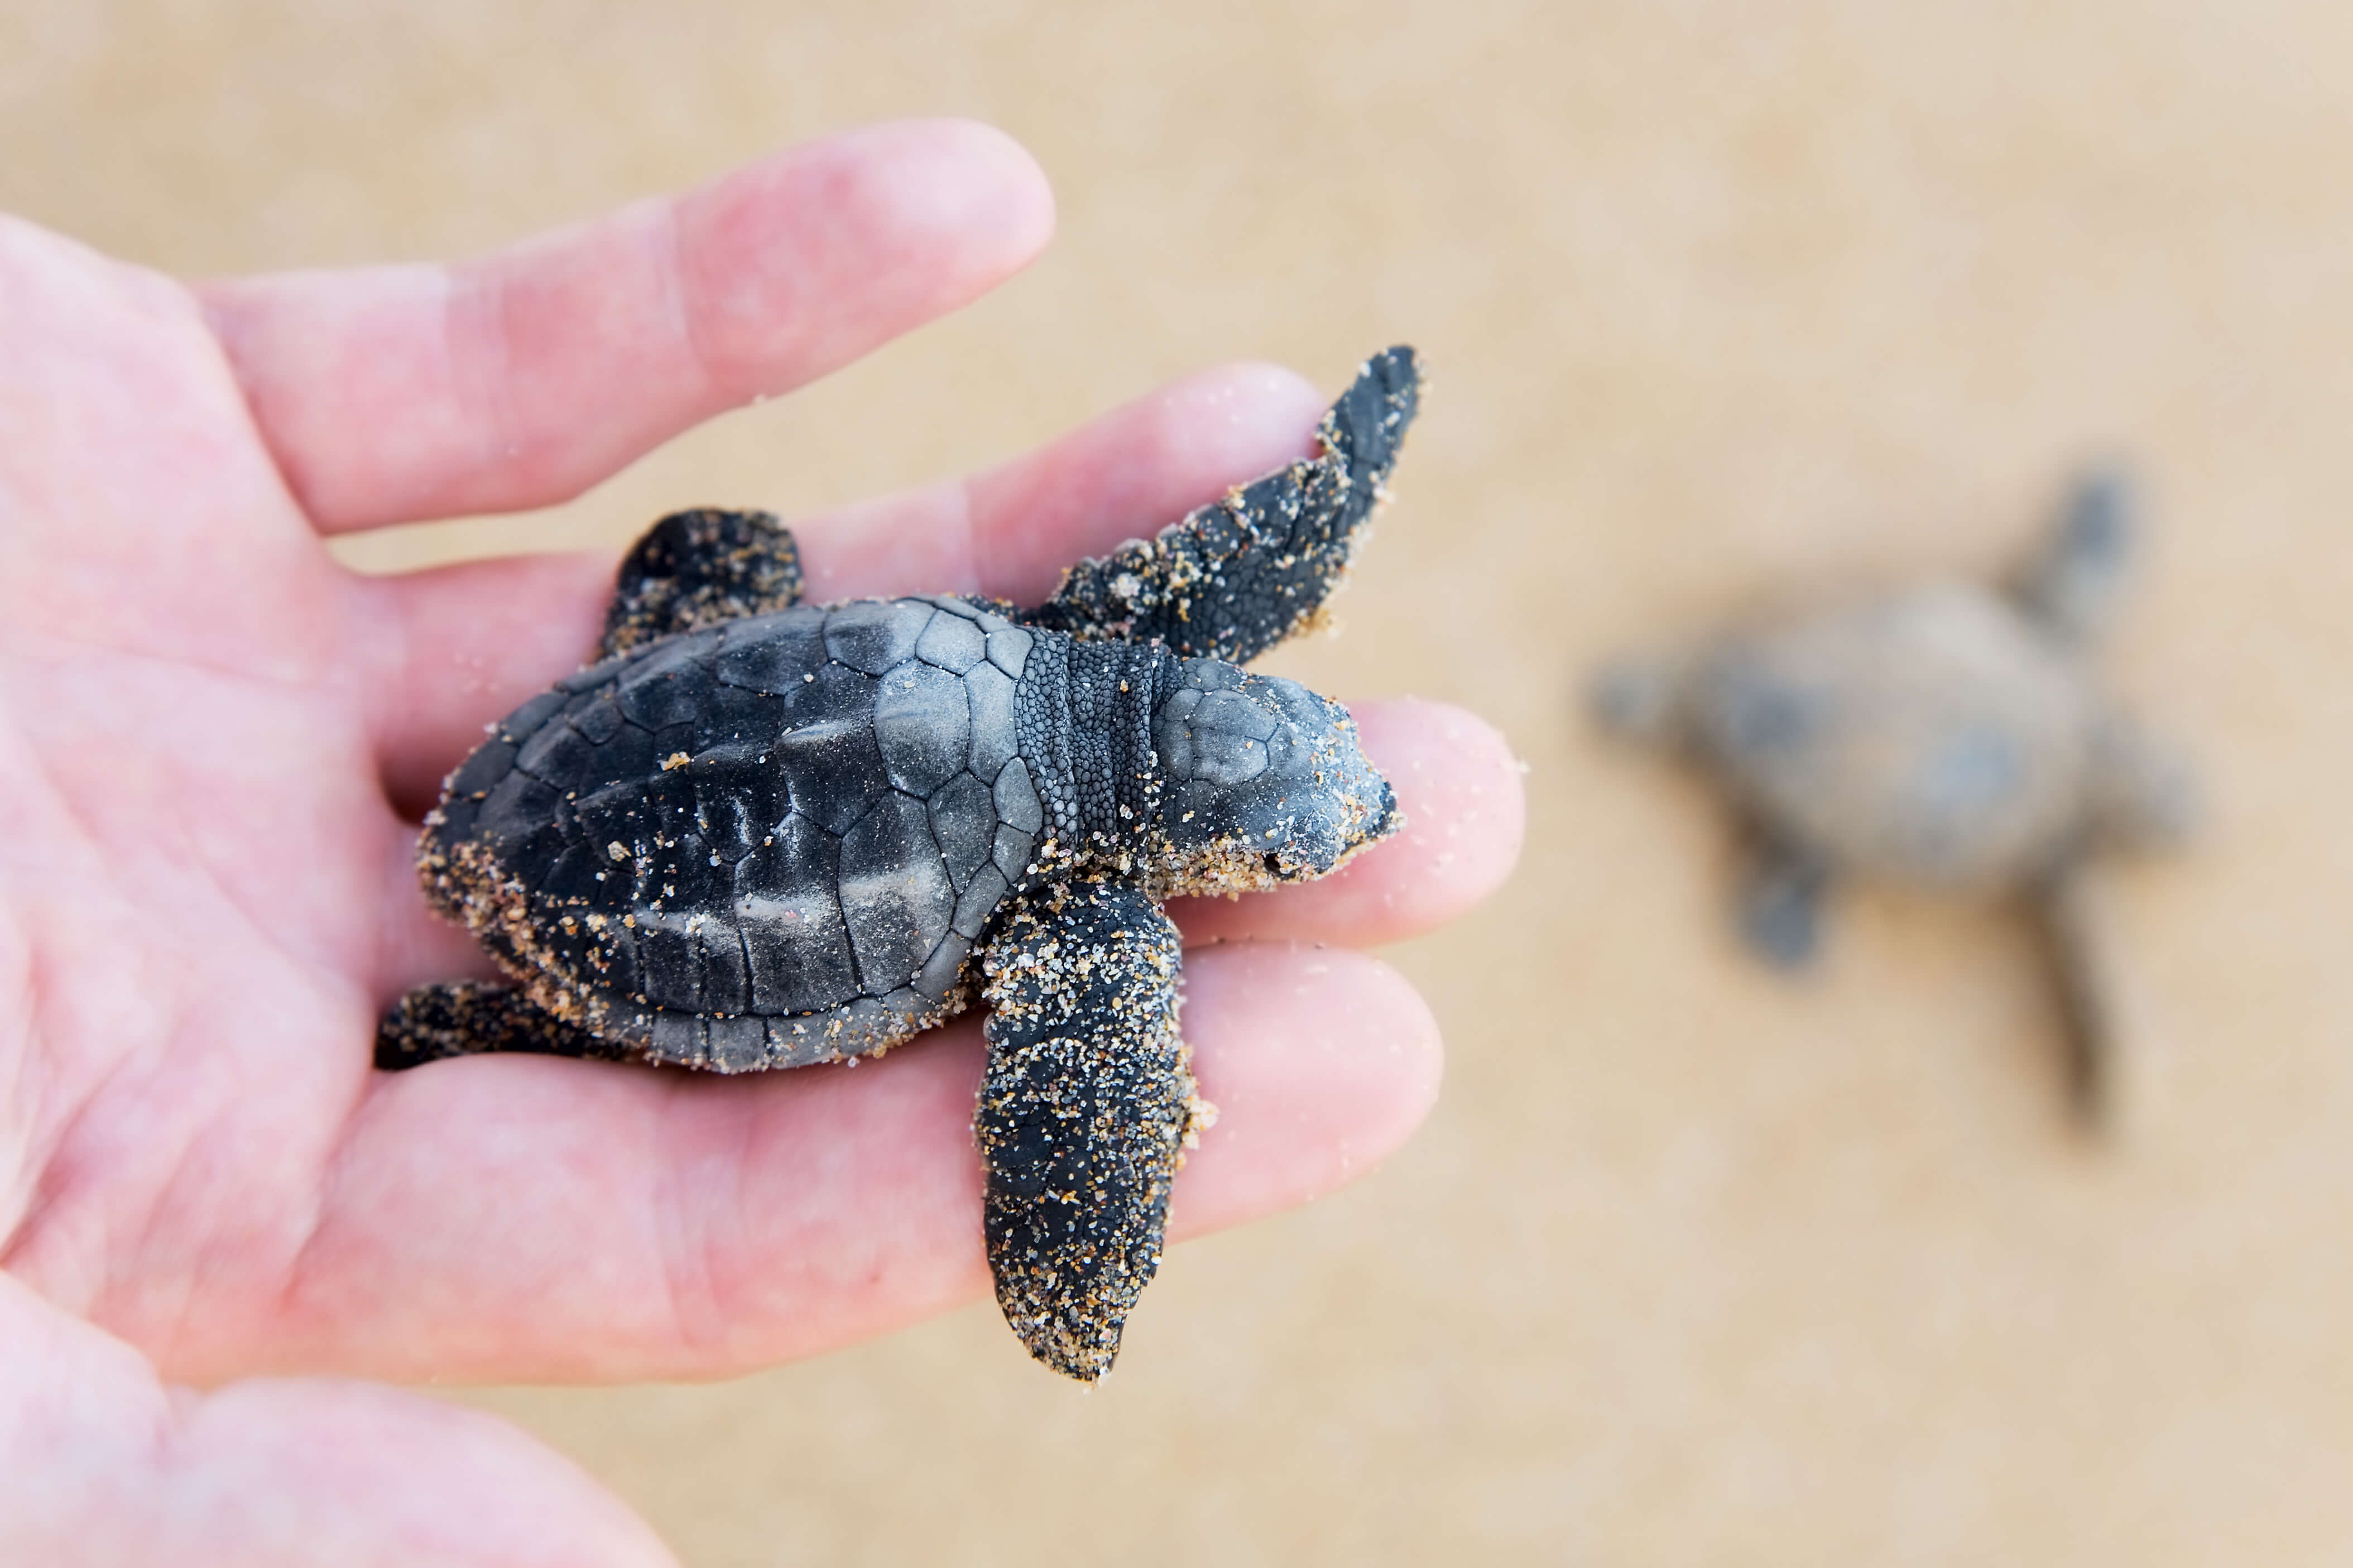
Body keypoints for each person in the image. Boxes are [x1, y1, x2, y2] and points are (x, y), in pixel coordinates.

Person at [0, 119, 1521, 1564]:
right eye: (1280, 853)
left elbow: (1258, 556)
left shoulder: (1107, 636)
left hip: (590, 744)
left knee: (735, 565)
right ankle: (482, 1017)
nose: (1340, 838)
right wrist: (1074, 1272)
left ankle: (511, 966)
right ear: (1200, 831)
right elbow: (1087, 1129)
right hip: (634, 908)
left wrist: (1346, 468)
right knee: (655, 997)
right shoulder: (1097, 936)